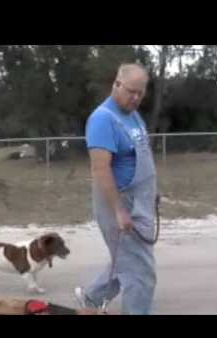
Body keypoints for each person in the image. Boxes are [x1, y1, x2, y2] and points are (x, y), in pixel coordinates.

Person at [75, 63, 158, 315]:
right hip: (121, 204)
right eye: (131, 91)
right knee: (141, 272)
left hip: (142, 200)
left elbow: (141, 155)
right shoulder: (102, 119)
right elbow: (101, 170)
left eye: (140, 93)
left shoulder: (133, 114)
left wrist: (153, 191)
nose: (135, 98)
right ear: (116, 84)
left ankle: (91, 298)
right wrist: (119, 211)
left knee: (129, 261)